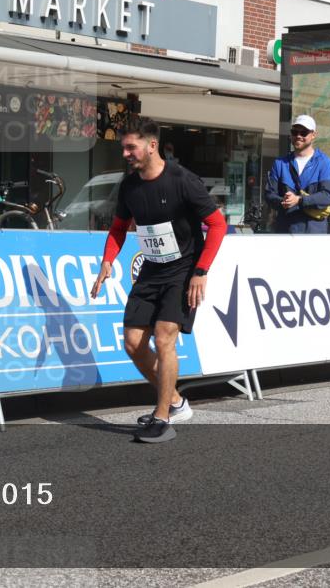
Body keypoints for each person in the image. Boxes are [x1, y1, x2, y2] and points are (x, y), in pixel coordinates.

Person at [90, 120, 228, 443]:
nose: (125, 153)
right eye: (123, 148)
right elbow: (119, 227)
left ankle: (162, 417)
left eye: (130, 147)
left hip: (183, 270)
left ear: (151, 146)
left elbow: (218, 225)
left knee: (165, 338)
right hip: (152, 269)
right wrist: (107, 261)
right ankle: (176, 402)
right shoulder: (129, 187)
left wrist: (201, 271)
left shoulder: (182, 180)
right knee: (133, 344)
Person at [265, 114, 330, 234]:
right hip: (285, 231)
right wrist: (284, 201)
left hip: (313, 233)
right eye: (294, 132)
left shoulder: (324, 162)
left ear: (313, 135)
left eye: (304, 133)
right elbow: (269, 194)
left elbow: (327, 196)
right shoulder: (280, 163)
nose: (298, 136)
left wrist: (299, 200)